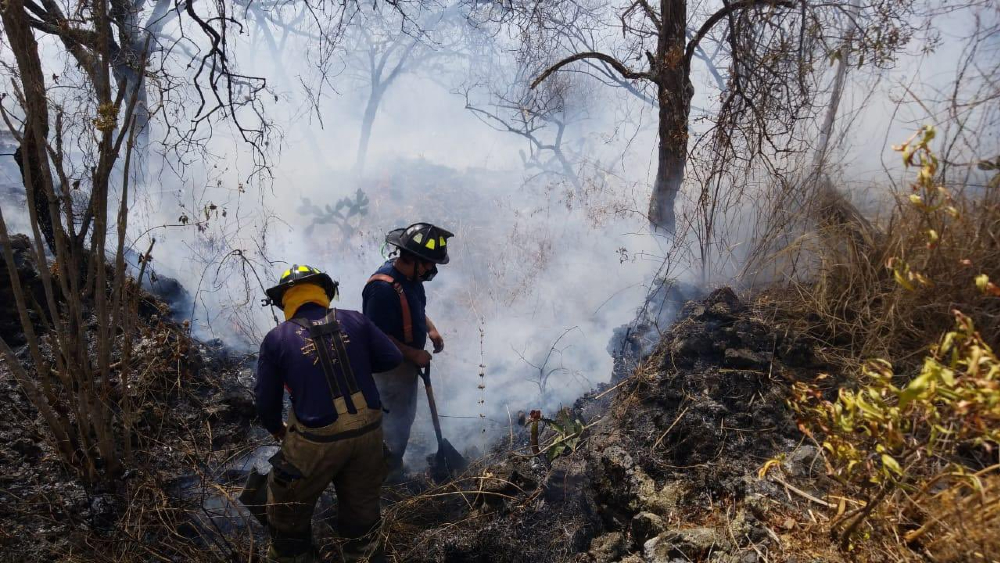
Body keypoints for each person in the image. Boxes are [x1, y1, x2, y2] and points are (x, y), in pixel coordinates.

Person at [255, 264, 402, 562]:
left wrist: (276, 429)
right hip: (369, 433)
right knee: (363, 519)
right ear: (324, 292)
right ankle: (362, 554)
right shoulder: (356, 320)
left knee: (286, 512)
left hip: (315, 441)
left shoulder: (277, 337)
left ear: (286, 300)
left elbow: (266, 403)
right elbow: (392, 357)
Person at [362, 223, 453, 478]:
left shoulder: (411, 279)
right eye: (428, 265)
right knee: (392, 423)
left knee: (405, 417)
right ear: (411, 258)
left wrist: (431, 329)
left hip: (406, 366)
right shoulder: (381, 289)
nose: (431, 271)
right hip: (388, 369)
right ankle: (383, 477)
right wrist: (413, 354)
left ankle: (392, 464)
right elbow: (376, 335)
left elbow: (416, 309)